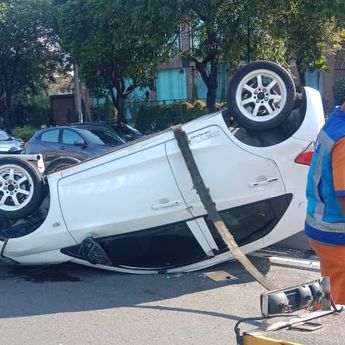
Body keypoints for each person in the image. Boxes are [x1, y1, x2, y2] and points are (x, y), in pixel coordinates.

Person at [305, 100, 345, 304]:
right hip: (336, 233)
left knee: (331, 291)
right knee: (340, 305)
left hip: (324, 225)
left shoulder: (337, 120)